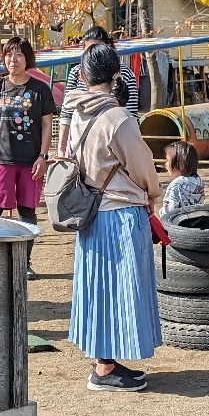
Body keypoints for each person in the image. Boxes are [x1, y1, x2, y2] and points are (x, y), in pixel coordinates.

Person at [63, 39, 164, 391]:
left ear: (83, 74)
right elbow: (142, 167)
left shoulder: (77, 113)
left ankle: (103, 362)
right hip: (120, 212)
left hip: (90, 214)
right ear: (116, 76)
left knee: (97, 289)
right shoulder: (119, 118)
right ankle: (105, 369)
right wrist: (152, 193)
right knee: (121, 288)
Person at [0, 37, 57, 236]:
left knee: (27, 214)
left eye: (19, 54)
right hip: (1, 158)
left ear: (27, 59)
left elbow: (47, 124)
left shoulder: (40, 89)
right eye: (8, 54)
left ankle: (25, 262)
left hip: (31, 160)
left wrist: (43, 156)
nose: (13, 59)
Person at [64, 25, 137, 108]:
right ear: (82, 76)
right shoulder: (75, 72)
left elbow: (131, 112)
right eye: (89, 51)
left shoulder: (125, 73)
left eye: (98, 50)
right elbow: (66, 114)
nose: (93, 55)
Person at [160, 141, 205, 217]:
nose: (165, 164)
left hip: (178, 225)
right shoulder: (198, 180)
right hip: (195, 221)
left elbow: (169, 210)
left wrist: (161, 212)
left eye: (168, 160)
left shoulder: (176, 184)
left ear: (180, 164)